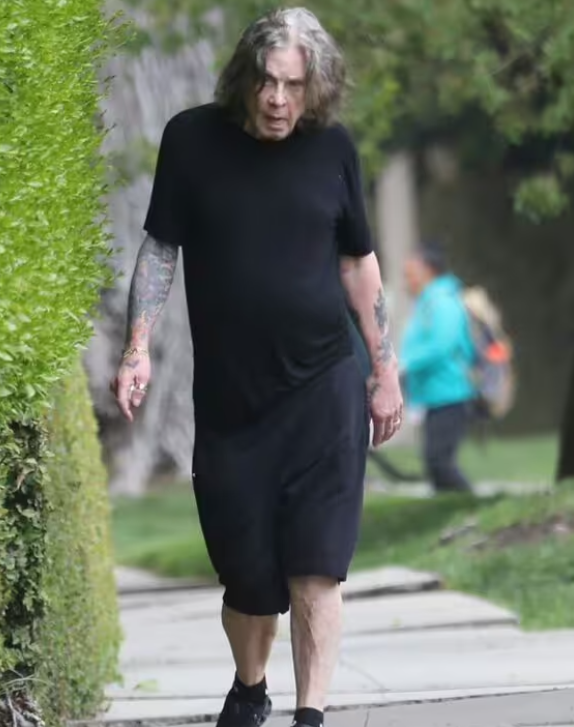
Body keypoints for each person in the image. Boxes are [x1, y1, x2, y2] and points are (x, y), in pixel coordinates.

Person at [111, 8, 403, 727]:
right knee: (247, 578)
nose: (277, 99)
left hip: (323, 385)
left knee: (316, 565)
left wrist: (383, 369)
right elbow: (160, 250)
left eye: (294, 86)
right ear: (245, 77)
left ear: (316, 87)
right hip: (232, 401)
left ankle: (310, 715)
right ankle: (250, 685)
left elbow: (358, 264)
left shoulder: (333, 149)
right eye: (267, 82)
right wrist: (137, 346)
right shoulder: (191, 140)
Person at [400, 244, 476, 494]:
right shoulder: (427, 302)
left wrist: (405, 364)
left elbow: (442, 345)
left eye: (410, 274)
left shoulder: (442, 301)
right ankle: (452, 506)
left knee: (439, 460)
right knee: (435, 462)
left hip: (450, 394)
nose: (407, 281)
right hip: (434, 396)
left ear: (428, 271)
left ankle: (468, 503)